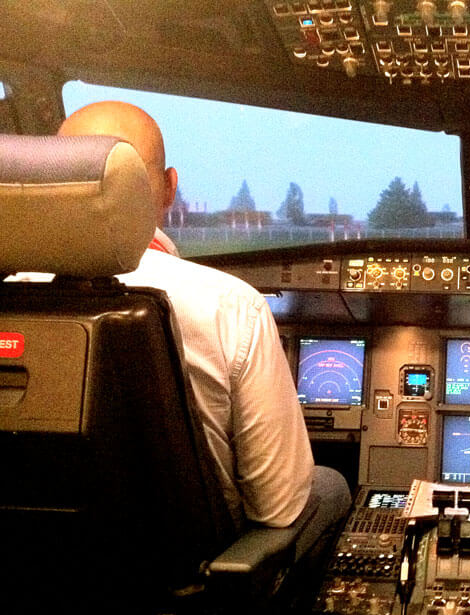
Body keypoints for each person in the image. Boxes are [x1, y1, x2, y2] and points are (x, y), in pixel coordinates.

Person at [57, 101, 350, 529]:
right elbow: (277, 508)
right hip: (189, 582)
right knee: (330, 484)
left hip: (30, 570)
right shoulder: (230, 307)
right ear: (170, 187)